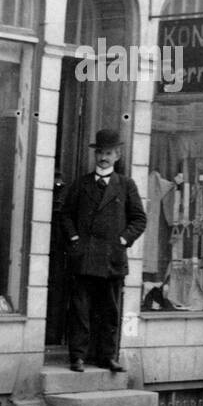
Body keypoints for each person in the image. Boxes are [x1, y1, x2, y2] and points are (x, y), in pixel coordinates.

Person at [59, 128, 147, 372]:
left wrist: (122, 240)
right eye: (100, 152)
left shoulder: (125, 184)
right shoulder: (82, 183)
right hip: (85, 257)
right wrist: (75, 238)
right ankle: (77, 356)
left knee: (109, 310)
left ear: (117, 155)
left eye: (108, 153)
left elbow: (139, 219)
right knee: (80, 309)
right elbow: (65, 214)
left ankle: (106, 356)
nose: (103, 158)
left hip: (111, 258)